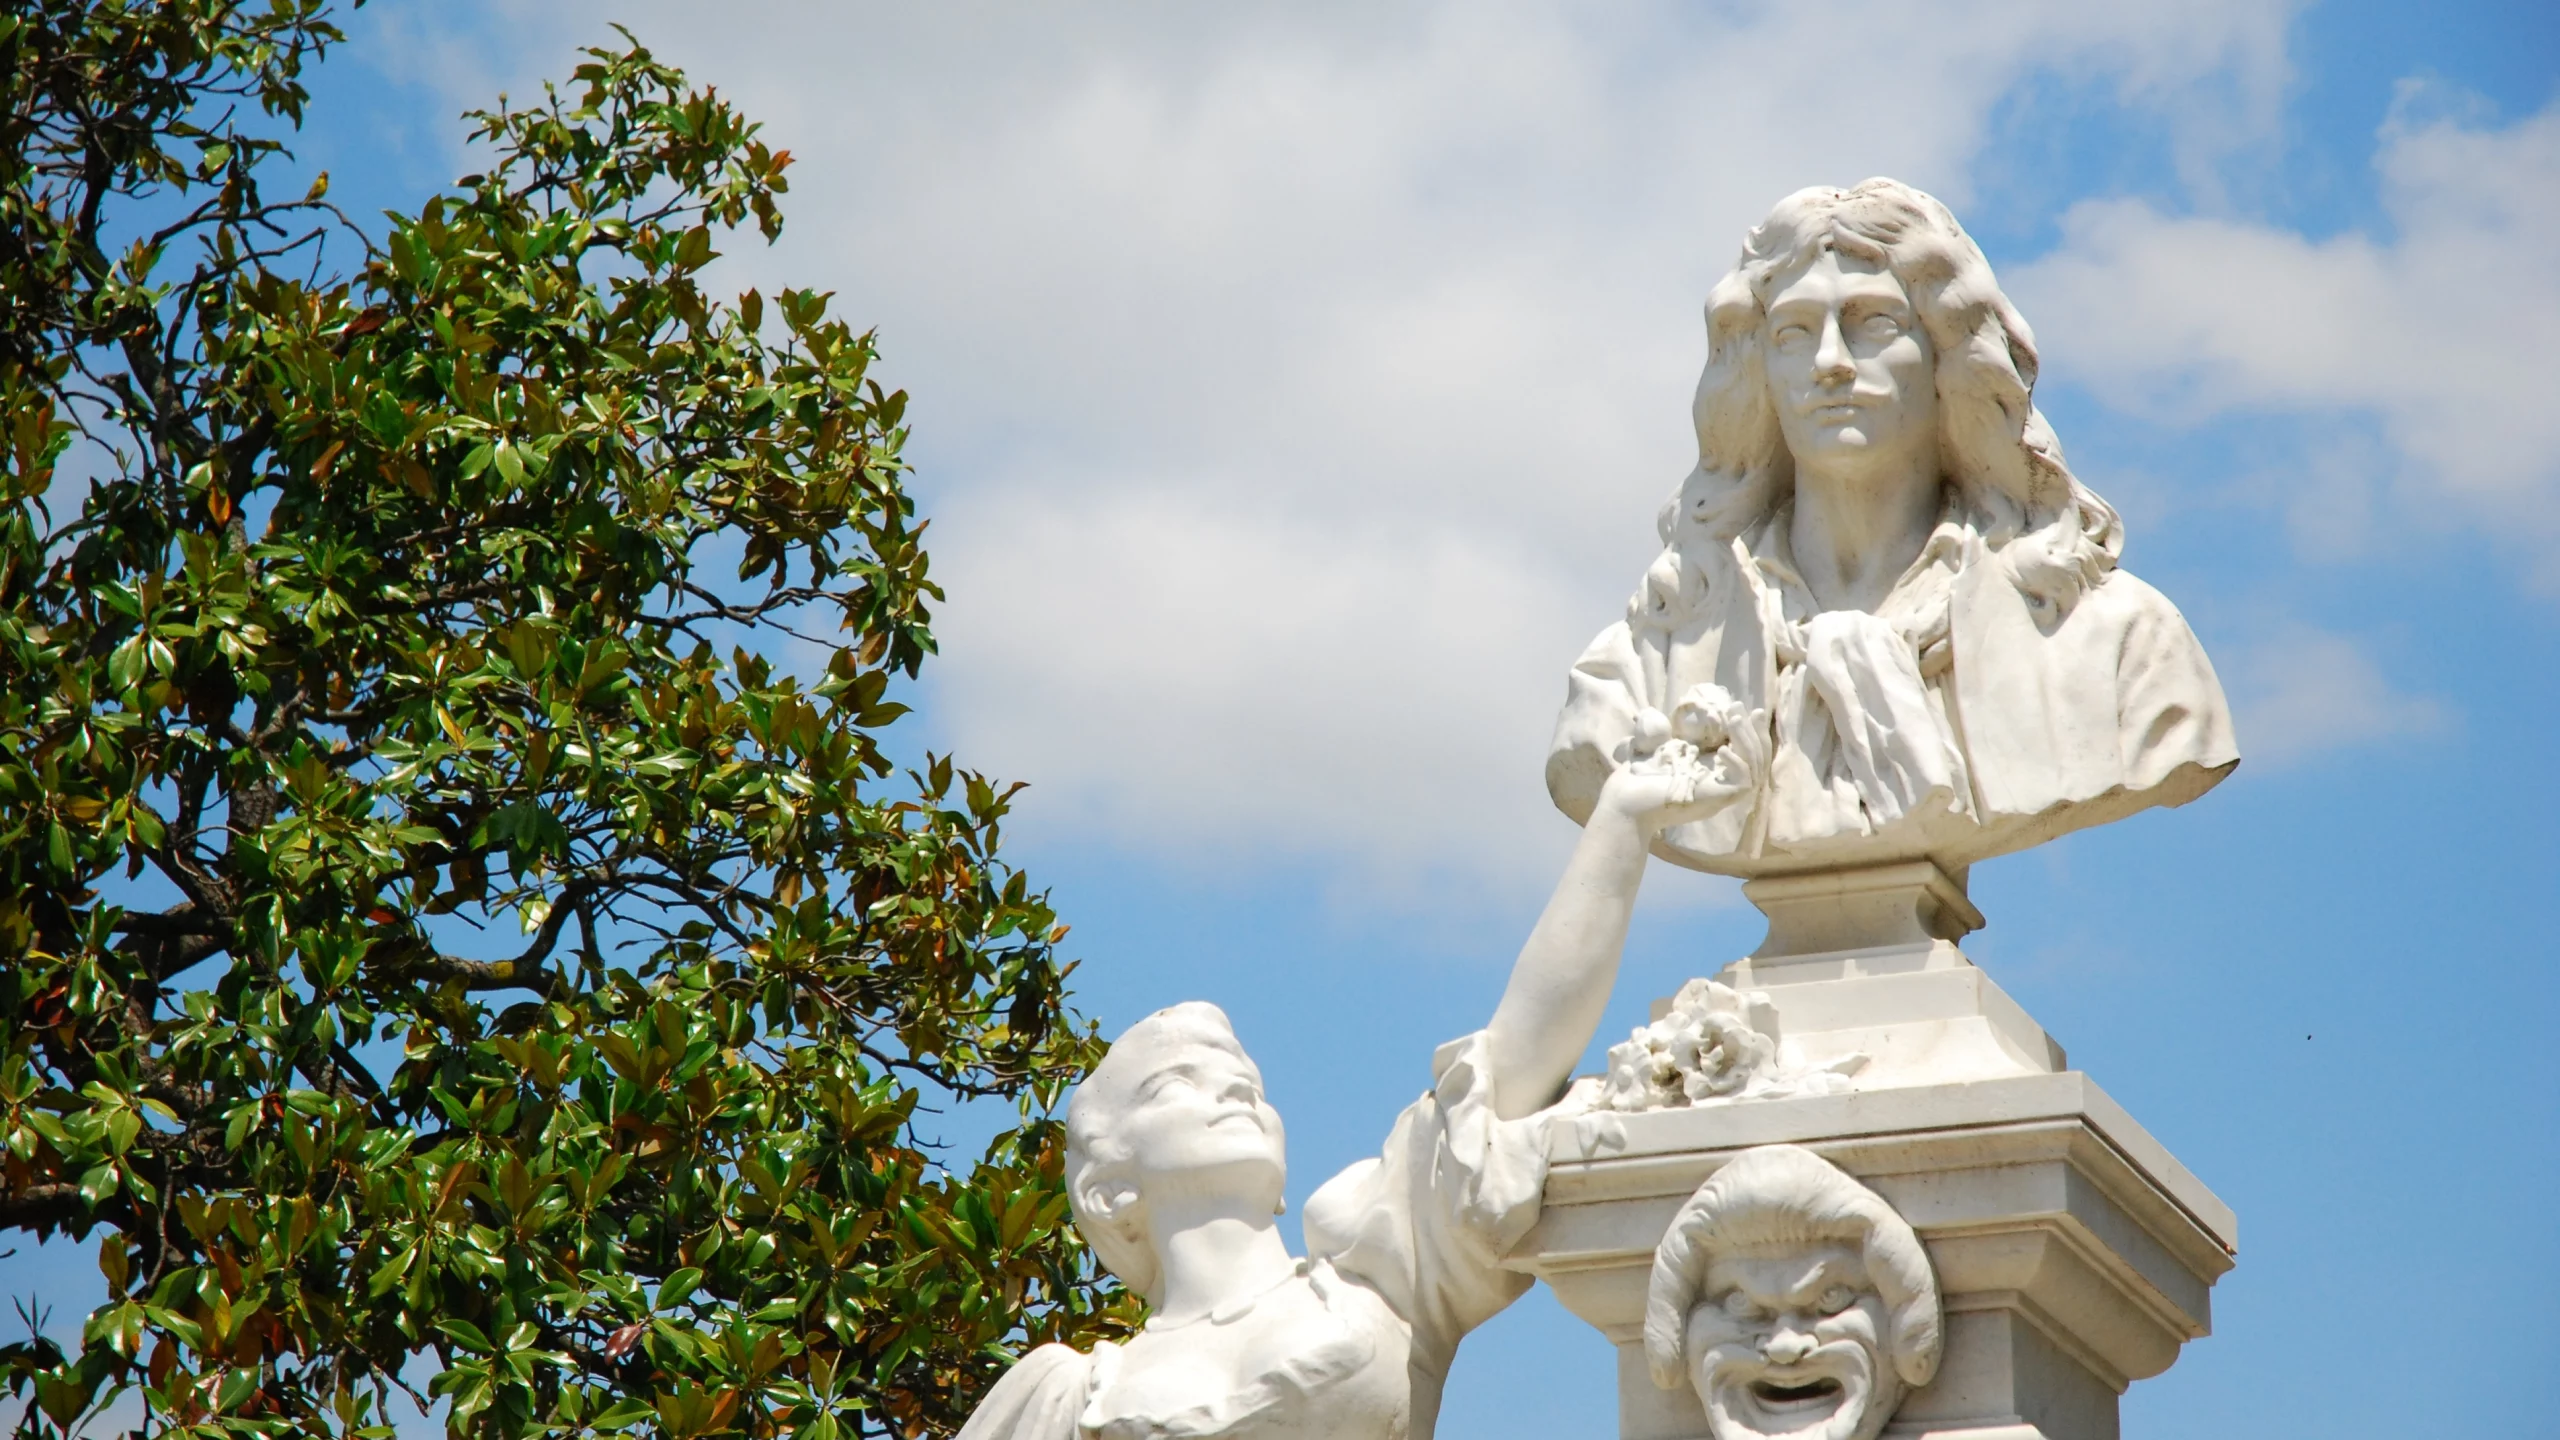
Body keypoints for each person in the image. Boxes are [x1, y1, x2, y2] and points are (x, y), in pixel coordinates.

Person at [955, 737, 1758, 1440]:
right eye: (1177, 1084)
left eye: (1245, 1076)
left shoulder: (1371, 1272)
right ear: (1108, 1193)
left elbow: (1514, 1061)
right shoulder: (1071, 1394)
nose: (1232, 1086)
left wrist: (1620, 825)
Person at [1548, 179, 2237, 879]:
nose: (1830, 363)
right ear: (1757, 374)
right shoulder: (1647, 665)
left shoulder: (2117, 642)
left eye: (1874, 323)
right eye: (1793, 332)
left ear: (1951, 357)